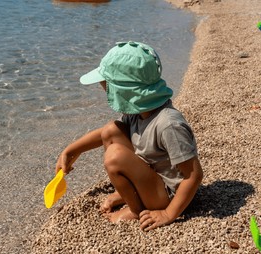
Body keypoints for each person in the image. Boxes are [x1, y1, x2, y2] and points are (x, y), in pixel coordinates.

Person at [55, 41, 203, 231]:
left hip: (171, 196)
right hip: (152, 179)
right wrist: (71, 150)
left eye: (106, 85)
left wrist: (168, 214)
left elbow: (194, 175)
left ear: (124, 91)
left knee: (114, 156)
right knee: (111, 130)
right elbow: (103, 134)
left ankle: (136, 209)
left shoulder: (169, 125)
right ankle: (128, 194)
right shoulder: (139, 112)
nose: (103, 88)